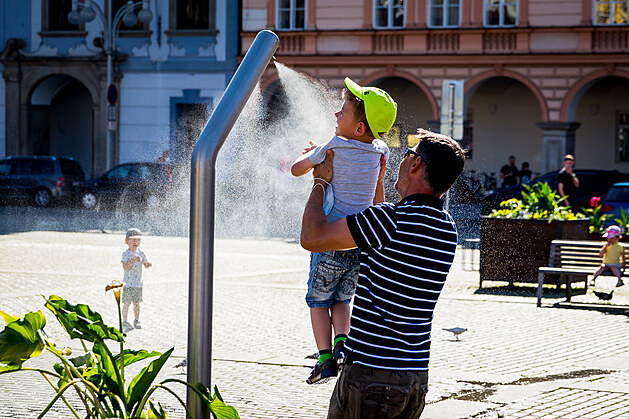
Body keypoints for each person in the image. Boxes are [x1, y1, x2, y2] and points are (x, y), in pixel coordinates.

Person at [300, 128, 465, 418]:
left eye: (408, 155)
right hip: (414, 377)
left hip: (369, 374)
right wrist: (376, 180)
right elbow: (380, 232)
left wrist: (320, 182)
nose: (402, 161)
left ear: (416, 165)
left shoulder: (389, 220)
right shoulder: (446, 227)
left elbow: (312, 238)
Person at [291, 77, 397, 385]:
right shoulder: (380, 153)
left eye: (343, 111)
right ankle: (342, 343)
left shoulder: (334, 145)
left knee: (318, 301)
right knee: (342, 300)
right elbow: (378, 198)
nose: (336, 115)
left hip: (328, 240)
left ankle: (324, 359)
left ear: (359, 128)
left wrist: (312, 158)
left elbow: (296, 169)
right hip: (359, 242)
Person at [121, 228, 152, 331]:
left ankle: (136, 319)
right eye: (133, 240)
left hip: (138, 283)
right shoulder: (126, 254)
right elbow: (126, 267)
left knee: (136, 303)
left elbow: (145, 264)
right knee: (127, 303)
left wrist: (147, 264)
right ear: (126, 241)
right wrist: (133, 260)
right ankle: (124, 321)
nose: (136, 242)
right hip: (128, 283)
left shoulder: (141, 253)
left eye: (138, 240)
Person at [591, 225, 625, 292]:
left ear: (617, 238)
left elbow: (623, 257)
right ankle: (593, 279)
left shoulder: (620, 246)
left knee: (613, 268)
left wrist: (623, 266)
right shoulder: (606, 245)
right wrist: (605, 247)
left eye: (611, 238)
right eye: (608, 238)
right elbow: (600, 254)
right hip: (606, 264)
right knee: (601, 267)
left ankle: (619, 280)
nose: (609, 240)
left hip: (615, 264)